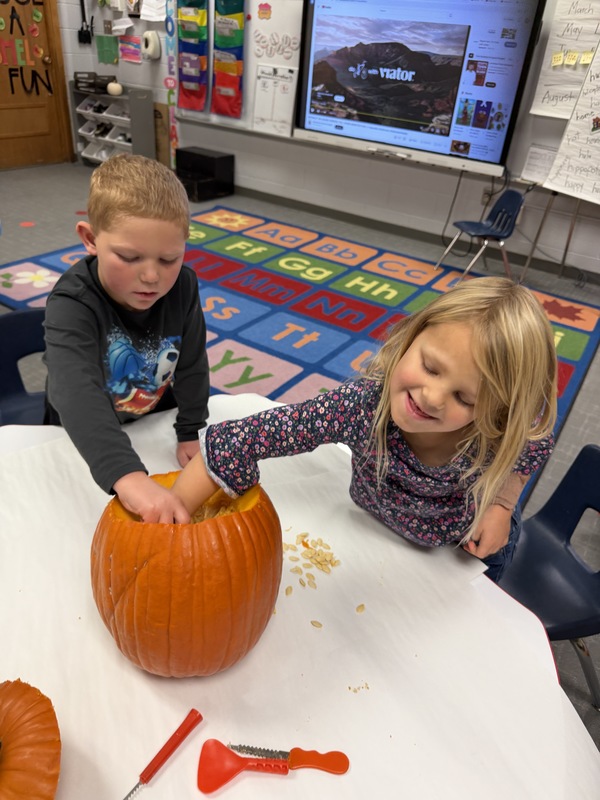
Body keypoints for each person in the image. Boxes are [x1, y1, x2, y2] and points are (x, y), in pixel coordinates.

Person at [170, 277, 557, 582]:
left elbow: (534, 445)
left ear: (500, 411)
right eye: (430, 367)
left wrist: (503, 506)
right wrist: (174, 517)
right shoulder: (363, 406)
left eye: (465, 398)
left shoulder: (503, 430)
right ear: (411, 337)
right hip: (376, 531)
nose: (433, 397)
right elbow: (252, 436)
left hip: (458, 553)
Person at [43, 153, 209, 523]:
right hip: (84, 435)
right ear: (90, 239)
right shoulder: (72, 304)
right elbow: (75, 392)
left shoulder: (183, 286)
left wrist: (191, 429)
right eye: (129, 257)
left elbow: (193, 362)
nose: (151, 277)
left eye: (169, 259)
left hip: (153, 420)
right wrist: (128, 476)